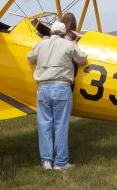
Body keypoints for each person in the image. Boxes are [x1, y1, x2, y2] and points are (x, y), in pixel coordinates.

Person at [27, 21, 87, 171]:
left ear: (51, 32)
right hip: (61, 87)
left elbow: (30, 58)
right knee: (61, 125)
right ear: (63, 33)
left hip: (43, 88)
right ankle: (60, 162)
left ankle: (46, 161)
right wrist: (74, 43)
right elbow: (82, 58)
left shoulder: (41, 44)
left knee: (44, 124)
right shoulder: (68, 45)